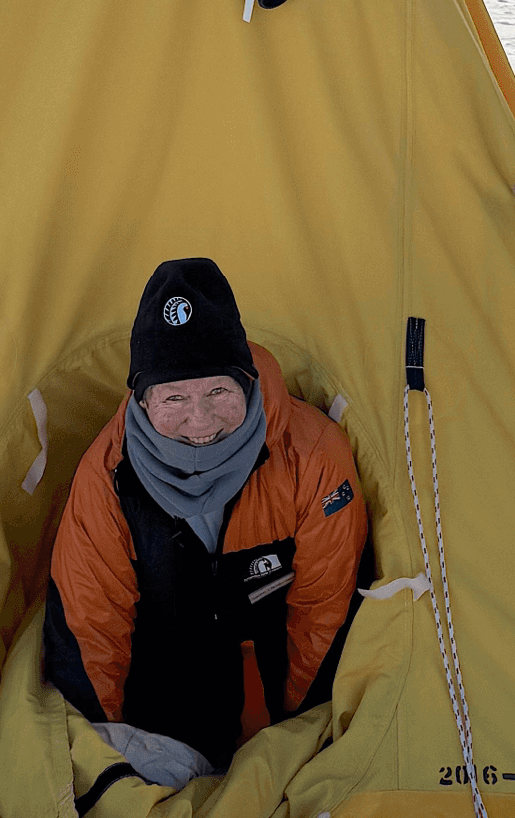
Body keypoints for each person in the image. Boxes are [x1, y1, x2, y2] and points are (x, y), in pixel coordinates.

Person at [42, 258, 368, 785]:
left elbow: (323, 618)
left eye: (219, 391)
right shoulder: (107, 479)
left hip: (274, 719)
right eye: (174, 397)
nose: (201, 421)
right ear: (142, 401)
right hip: (161, 719)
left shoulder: (313, 458)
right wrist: (109, 763)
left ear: (248, 382)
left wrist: (292, 741)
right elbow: (89, 634)